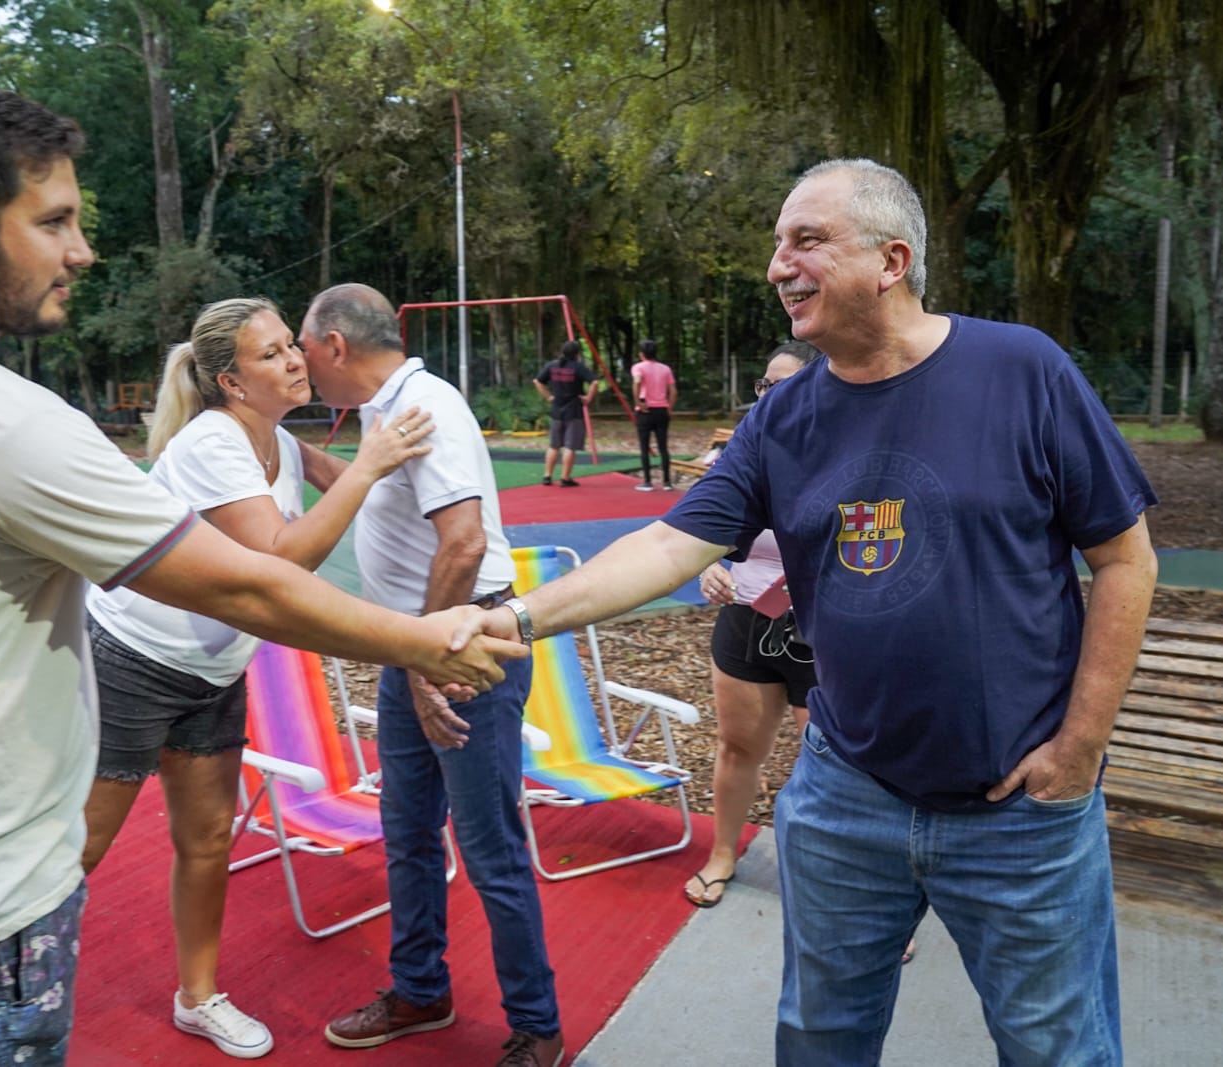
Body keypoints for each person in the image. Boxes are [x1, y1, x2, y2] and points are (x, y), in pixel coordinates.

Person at [0, 83, 520, 1067]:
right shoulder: (4, 423)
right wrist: (431, 639)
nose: (81, 250)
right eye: (55, 220)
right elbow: (252, 583)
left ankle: (198, 991)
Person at [479, 159, 1158, 1065]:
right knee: (819, 1037)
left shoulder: (1023, 370)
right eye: (776, 244)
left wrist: (1079, 747)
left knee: (1058, 1048)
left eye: (805, 240)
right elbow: (668, 546)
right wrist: (517, 619)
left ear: (891, 260)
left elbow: (1125, 558)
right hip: (847, 796)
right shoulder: (784, 416)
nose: (777, 264)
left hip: (1020, 810)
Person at [80, 298, 435, 1058]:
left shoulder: (274, 436)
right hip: (133, 662)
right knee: (80, 846)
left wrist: (412, 488)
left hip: (212, 669)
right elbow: (280, 559)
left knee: (208, 839)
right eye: (272, 353)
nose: (295, 360)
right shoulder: (212, 443)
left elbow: (339, 487)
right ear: (231, 382)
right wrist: (373, 464)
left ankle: (198, 997)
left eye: (290, 347)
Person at [298, 283, 564, 1067]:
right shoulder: (388, 410)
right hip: (414, 651)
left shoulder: (428, 405)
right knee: (407, 833)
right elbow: (360, 490)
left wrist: (424, 657)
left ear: (336, 345)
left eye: (304, 348)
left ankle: (538, 1026)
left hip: (459, 654)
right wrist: (274, 440)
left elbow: (462, 542)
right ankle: (419, 987)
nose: (301, 362)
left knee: (488, 848)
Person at [684, 340, 818, 909]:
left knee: (837, 765)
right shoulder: (740, 455)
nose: (766, 396)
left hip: (826, 637)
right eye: (763, 385)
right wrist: (711, 566)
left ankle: (855, 894)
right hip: (746, 628)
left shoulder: (850, 455)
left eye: (781, 385)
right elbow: (694, 533)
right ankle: (722, 854)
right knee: (737, 749)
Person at [533, 339, 598, 487]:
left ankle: (547, 475)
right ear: (577, 354)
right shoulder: (578, 367)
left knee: (554, 445)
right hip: (573, 410)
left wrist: (549, 396)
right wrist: (588, 398)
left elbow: (537, 381)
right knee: (570, 446)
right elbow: (594, 382)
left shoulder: (552, 366)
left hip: (556, 409)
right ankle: (565, 477)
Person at [631, 339, 677, 491]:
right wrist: (669, 408)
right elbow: (673, 391)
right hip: (661, 409)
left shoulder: (638, 367)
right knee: (663, 446)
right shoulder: (665, 369)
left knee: (644, 446)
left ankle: (647, 481)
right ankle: (666, 481)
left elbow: (637, 382)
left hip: (645, 410)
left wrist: (637, 401)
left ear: (642, 354)